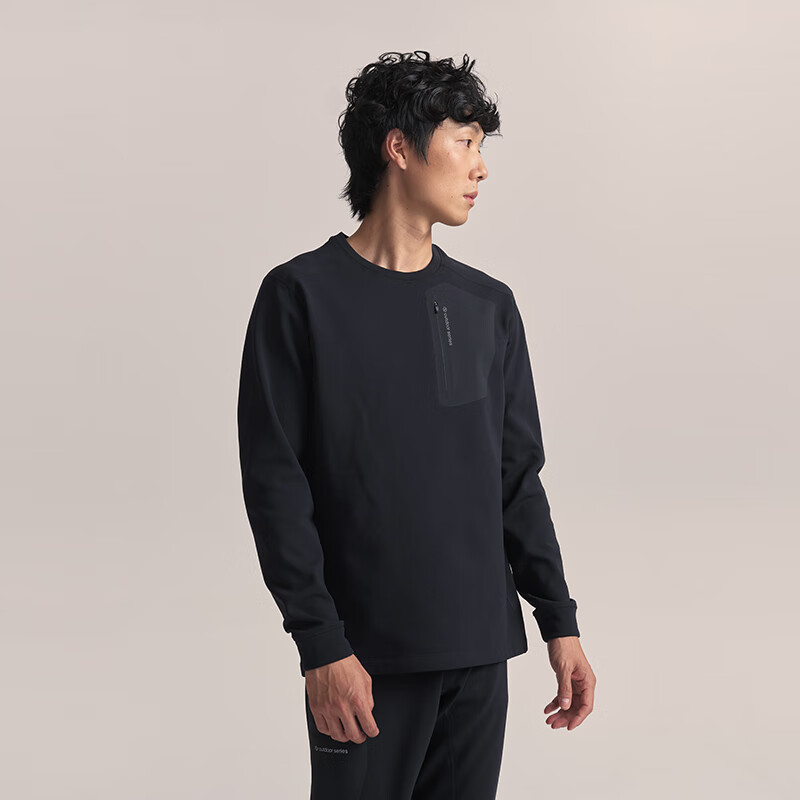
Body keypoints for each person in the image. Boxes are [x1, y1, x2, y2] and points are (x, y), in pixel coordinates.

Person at [237, 50, 596, 800]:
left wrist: (559, 621)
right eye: (464, 142)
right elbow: (276, 486)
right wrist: (320, 646)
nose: (480, 167)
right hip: (363, 665)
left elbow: (515, 479)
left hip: (479, 655)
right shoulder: (300, 298)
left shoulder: (487, 306)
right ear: (398, 147)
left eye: (481, 147)